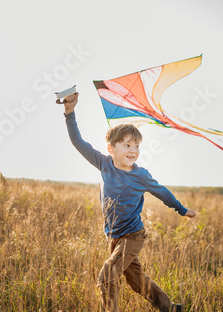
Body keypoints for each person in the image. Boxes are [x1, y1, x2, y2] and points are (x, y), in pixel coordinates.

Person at [62, 92, 197, 312]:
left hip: (133, 235)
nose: (133, 150)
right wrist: (70, 112)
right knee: (136, 280)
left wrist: (182, 210)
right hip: (114, 237)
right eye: (127, 145)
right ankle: (170, 308)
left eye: (136, 146)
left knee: (107, 275)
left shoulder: (141, 175)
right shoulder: (104, 164)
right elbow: (78, 142)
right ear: (111, 149)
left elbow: (162, 192)